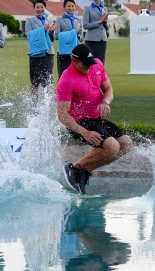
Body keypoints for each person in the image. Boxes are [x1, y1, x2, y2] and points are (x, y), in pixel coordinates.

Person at [57, 44, 133, 194]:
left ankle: (86, 170)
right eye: (85, 65)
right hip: (79, 122)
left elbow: (108, 89)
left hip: (95, 118)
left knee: (126, 144)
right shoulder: (66, 80)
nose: (88, 68)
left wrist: (106, 102)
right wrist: (85, 132)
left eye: (89, 64)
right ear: (73, 60)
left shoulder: (97, 64)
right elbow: (62, 115)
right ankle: (73, 167)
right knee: (112, 147)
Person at [26, 0, 58, 110]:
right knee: (35, 83)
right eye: (38, 7)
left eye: (42, 7)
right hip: (35, 54)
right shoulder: (30, 20)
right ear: (34, 8)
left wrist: (51, 32)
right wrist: (43, 29)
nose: (40, 9)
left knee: (46, 83)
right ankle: (35, 107)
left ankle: (45, 106)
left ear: (45, 8)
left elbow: (51, 40)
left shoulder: (48, 20)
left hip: (48, 54)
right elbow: (28, 35)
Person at [54, 0, 83, 79]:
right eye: (68, 6)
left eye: (72, 6)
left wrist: (77, 35)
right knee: (63, 76)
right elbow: (56, 36)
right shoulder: (60, 19)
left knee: (76, 75)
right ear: (64, 7)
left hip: (75, 53)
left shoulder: (78, 20)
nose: (71, 8)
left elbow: (81, 38)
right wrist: (72, 33)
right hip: (63, 52)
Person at [83, 0, 109, 64]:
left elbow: (108, 27)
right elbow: (85, 25)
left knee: (101, 62)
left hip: (102, 40)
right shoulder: (88, 8)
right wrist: (98, 22)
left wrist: (105, 21)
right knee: (91, 62)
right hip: (91, 40)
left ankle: (100, 74)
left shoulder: (104, 8)